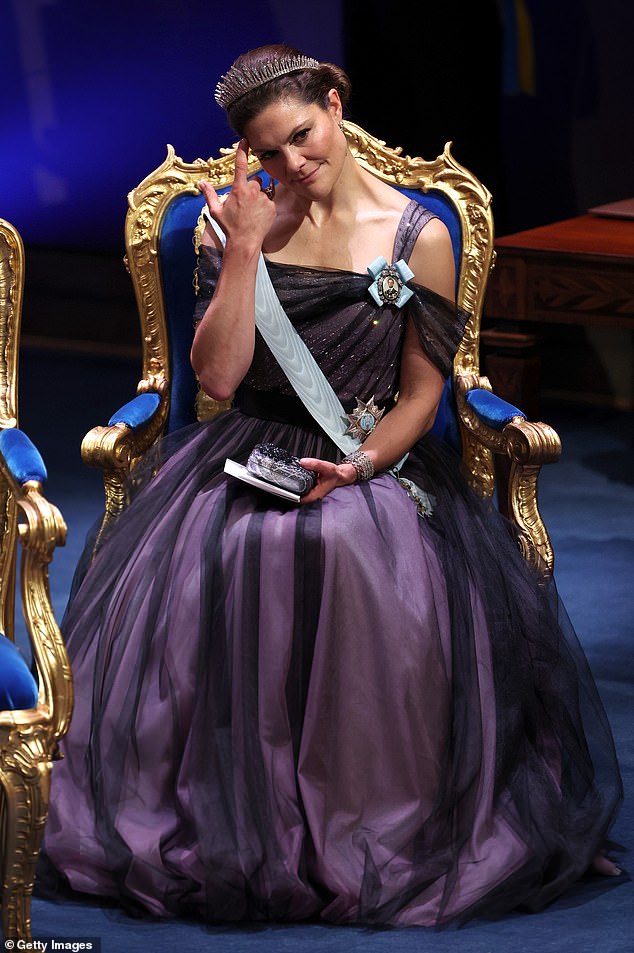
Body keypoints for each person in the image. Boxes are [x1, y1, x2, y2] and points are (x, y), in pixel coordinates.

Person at [41, 44, 623, 927]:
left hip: (368, 454)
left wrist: (354, 467)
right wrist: (240, 252)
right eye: (268, 153)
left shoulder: (417, 236)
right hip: (247, 444)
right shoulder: (234, 225)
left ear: (336, 103)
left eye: (303, 137)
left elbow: (425, 393)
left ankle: (358, 818)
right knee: (244, 541)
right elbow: (222, 382)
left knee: (339, 539)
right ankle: (236, 817)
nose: (292, 166)